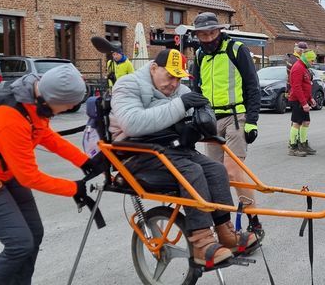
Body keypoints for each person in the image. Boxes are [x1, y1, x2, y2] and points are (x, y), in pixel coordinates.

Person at [110, 48, 257, 267]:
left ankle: (225, 230)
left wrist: (197, 126)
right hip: (136, 151)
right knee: (192, 171)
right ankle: (201, 242)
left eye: (178, 78)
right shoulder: (127, 85)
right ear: (153, 68)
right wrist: (181, 106)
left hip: (170, 147)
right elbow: (132, 123)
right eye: (169, 76)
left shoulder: (178, 89)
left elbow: (189, 114)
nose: (174, 83)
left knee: (216, 170)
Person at [0, 64, 108, 285]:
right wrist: (73, 188)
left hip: (7, 172)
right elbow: (29, 176)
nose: (65, 111)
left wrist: (84, 161)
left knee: (34, 234)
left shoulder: (35, 98)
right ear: (50, 98)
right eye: (65, 107)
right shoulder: (10, 117)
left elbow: (45, 135)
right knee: (19, 244)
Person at [190, 12, 264, 237]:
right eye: (203, 35)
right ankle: (224, 225)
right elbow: (196, 89)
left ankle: (255, 221)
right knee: (214, 174)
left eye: (211, 33)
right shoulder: (200, 55)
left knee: (232, 172)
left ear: (219, 31)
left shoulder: (236, 49)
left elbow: (252, 85)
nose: (208, 38)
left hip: (236, 117)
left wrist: (252, 120)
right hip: (211, 121)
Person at [288, 50, 317, 156]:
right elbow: (296, 87)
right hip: (297, 100)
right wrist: (304, 103)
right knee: (297, 123)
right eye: (312, 60)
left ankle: (303, 144)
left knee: (306, 122)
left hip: (303, 100)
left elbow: (306, 85)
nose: (313, 62)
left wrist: (310, 98)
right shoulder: (298, 68)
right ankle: (293, 147)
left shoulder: (304, 68)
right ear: (306, 59)